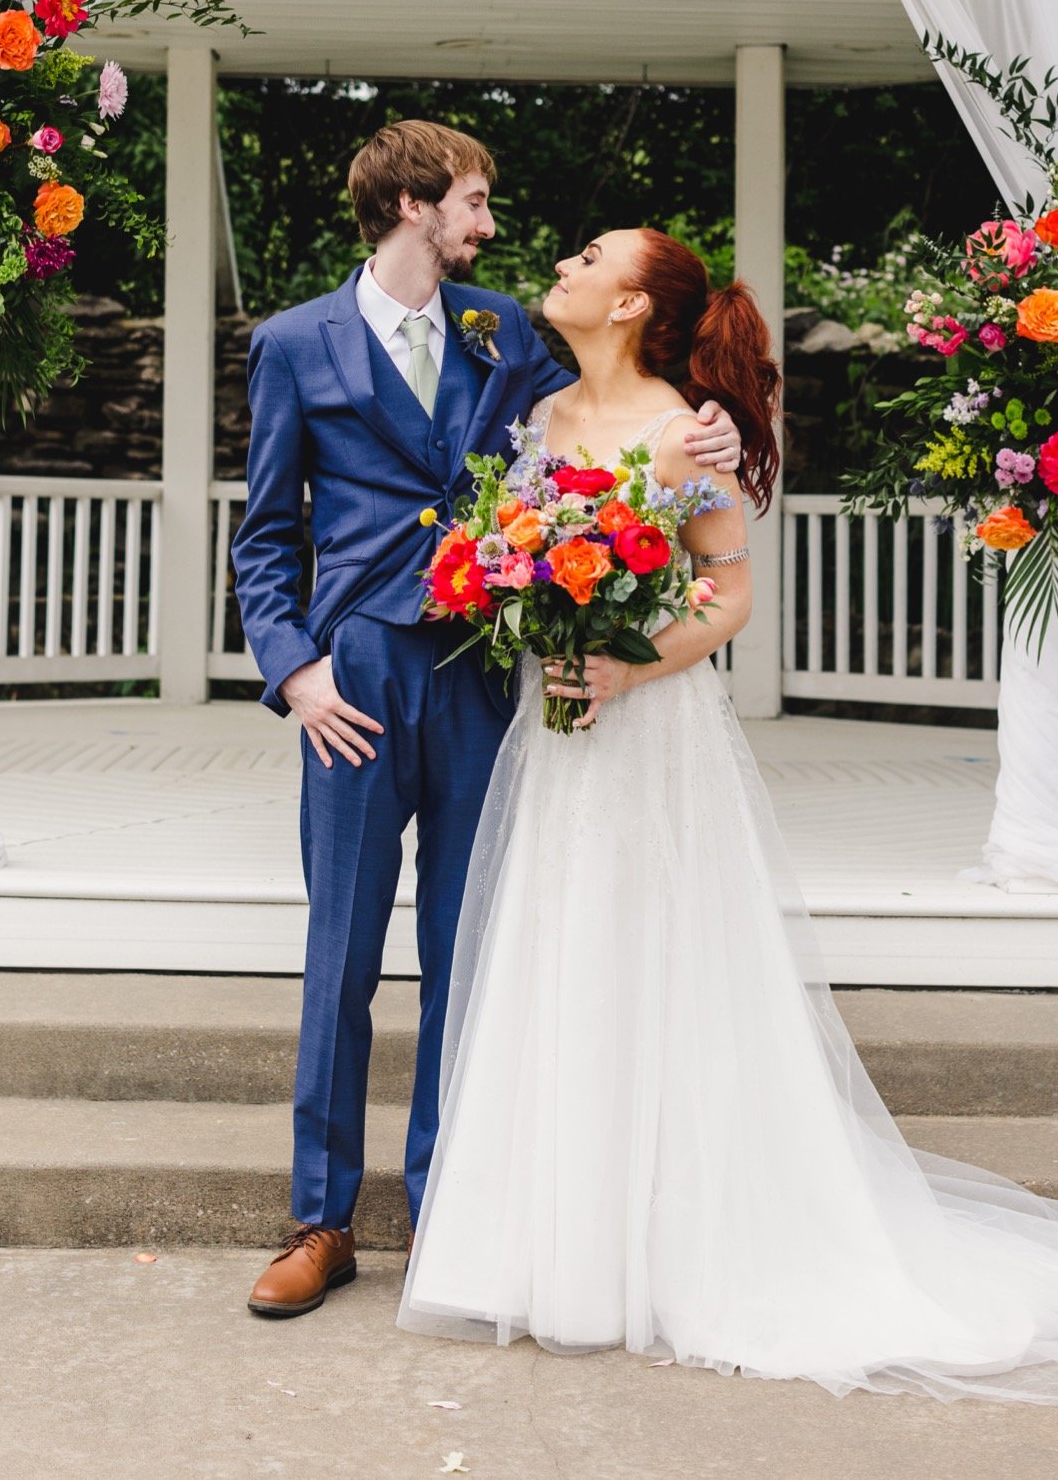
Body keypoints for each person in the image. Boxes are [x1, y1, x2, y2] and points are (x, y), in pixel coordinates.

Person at [399, 226, 1058, 1402]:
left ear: (635, 302)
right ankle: (559, 1257)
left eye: (589, 258)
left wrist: (623, 667)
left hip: (649, 738)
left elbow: (733, 596)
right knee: (564, 961)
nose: (563, 265)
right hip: (559, 749)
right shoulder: (535, 418)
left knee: (662, 970)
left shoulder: (681, 436)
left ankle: (674, 1248)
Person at [233, 126, 742, 1319]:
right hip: (351, 679)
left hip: (481, 672)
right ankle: (321, 1220)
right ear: (414, 206)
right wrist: (294, 670)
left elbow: (609, 416)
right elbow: (264, 533)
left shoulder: (504, 326)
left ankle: (450, 1209)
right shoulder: (292, 342)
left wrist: (713, 433)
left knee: (470, 957)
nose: (491, 225)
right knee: (342, 954)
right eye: (471, 202)